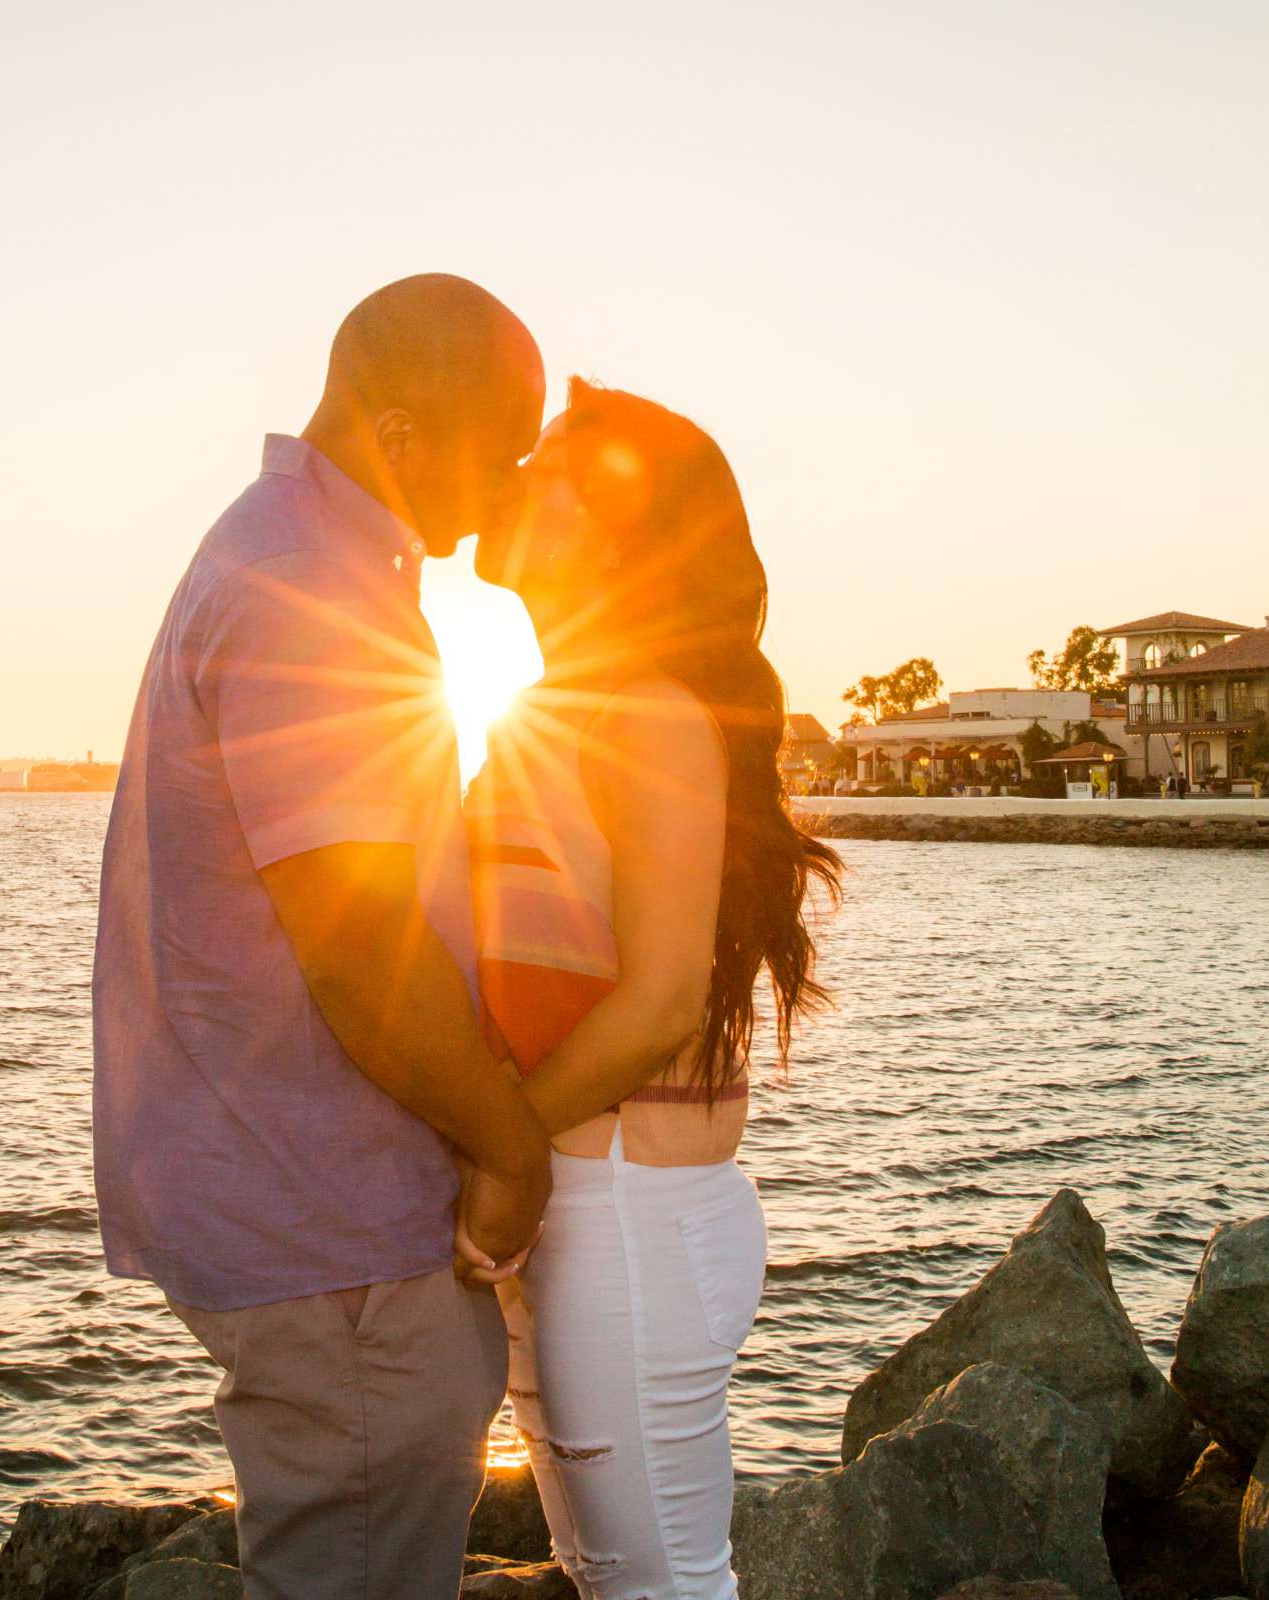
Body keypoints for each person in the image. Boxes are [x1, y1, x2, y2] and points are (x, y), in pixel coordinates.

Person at [92, 274, 553, 1600]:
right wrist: (512, 1148)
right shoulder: (314, 588)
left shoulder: (291, 548)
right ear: (400, 435)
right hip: (327, 1218)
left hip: (292, 1191)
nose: (505, 489)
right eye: (497, 446)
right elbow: (363, 953)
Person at [463, 381, 843, 1599]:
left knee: (662, 1587)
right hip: (578, 1206)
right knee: (611, 1574)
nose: (514, 471)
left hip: (621, 1210)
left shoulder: (644, 711)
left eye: (553, 461)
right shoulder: (557, 710)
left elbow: (663, 999)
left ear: (622, 527)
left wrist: (499, 1152)